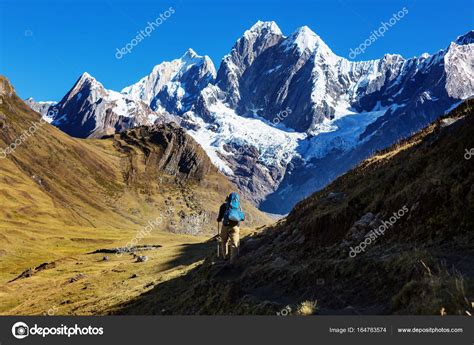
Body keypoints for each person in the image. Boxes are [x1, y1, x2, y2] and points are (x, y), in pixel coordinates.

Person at [217, 192, 245, 264]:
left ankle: (225, 257)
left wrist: (219, 219)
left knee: (224, 241)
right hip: (235, 226)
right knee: (234, 243)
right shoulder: (238, 207)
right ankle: (233, 261)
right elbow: (241, 217)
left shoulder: (223, 206)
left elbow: (220, 218)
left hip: (225, 225)